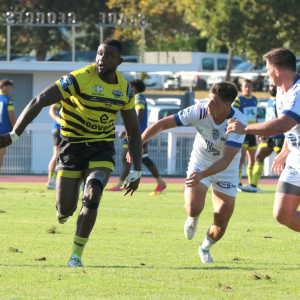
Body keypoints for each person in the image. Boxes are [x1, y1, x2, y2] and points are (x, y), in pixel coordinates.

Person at [0, 39, 142, 267]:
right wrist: (14, 134)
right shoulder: (80, 78)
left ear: (120, 61)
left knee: (94, 191)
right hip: (71, 145)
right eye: (99, 54)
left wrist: (137, 169)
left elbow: (134, 130)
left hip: (101, 147)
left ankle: (76, 255)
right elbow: (39, 101)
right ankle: (64, 210)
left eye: (108, 56)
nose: (101, 59)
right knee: (65, 208)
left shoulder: (124, 90)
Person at [129, 82, 247, 263]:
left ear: (227, 105)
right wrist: (138, 144)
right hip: (200, 162)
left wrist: (202, 175)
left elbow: (225, 160)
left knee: (221, 223)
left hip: (226, 170)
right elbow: (162, 124)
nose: (209, 105)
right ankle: (193, 217)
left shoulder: (238, 123)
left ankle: (204, 248)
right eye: (209, 99)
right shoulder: (199, 111)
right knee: (193, 207)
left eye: (214, 102)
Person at [227, 47, 300, 236]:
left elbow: (282, 124)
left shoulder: (298, 91)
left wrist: (245, 128)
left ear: (277, 71)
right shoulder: (280, 92)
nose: (267, 75)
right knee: (283, 213)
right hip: (295, 161)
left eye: (268, 70)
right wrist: (286, 150)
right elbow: (292, 126)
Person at [106, 79, 166, 195]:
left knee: (134, 158)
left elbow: (139, 116)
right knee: (133, 158)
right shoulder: (136, 98)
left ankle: (121, 185)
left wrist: (126, 129)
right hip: (135, 132)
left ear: (133, 88)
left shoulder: (138, 98)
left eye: (128, 87)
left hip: (137, 133)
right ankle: (159, 182)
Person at [245, 85, 285, 192]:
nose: (272, 88)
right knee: (258, 156)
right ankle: (253, 185)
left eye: (274, 86)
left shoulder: (281, 100)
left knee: (282, 161)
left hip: (279, 135)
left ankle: (286, 186)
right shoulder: (270, 101)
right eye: (271, 86)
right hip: (268, 136)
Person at [232, 79, 258, 192]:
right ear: (241, 88)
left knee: (253, 159)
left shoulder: (255, 99)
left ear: (252, 88)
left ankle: (252, 185)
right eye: (245, 86)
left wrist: (258, 130)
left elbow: (255, 116)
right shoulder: (238, 100)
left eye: (249, 86)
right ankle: (238, 183)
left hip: (252, 132)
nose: (247, 88)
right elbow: (234, 115)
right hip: (243, 132)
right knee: (241, 158)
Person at [0, 79, 16, 184]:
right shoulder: (9, 100)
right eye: (10, 87)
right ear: (4, 87)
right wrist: (16, 130)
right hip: (3, 133)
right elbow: (11, 117)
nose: (12, 90)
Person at [46, 101, 62, 189]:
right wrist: (58, 119)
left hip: (59, 129)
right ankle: (51, 181)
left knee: (57, 156)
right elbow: (51, 110)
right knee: (57, 155)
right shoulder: (63, 97)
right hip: (60, 129)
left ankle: (51, 181)